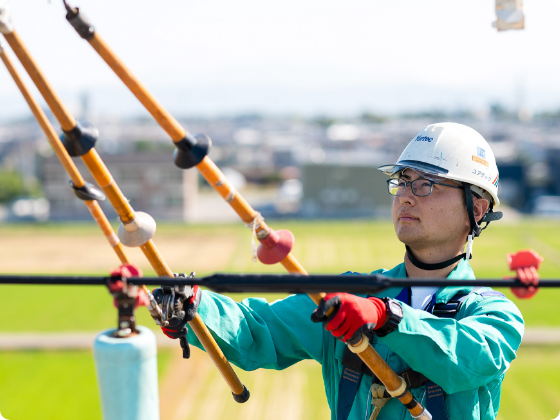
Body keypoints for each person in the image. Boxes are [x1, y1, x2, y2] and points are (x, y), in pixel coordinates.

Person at [159, 123, 528, 420]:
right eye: (402, 181)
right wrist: (196, 306)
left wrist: (387, 317)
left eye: (426, 184)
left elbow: (465, 360)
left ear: (477, 209)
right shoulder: (353, 297)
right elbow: (261, 330)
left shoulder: (495, 315)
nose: (406, 196)